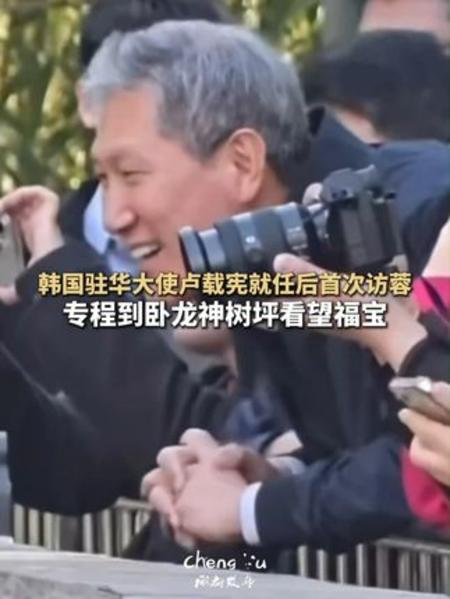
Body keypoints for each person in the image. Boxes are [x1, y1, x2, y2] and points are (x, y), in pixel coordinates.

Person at [2, 20, 448, 558]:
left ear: (243, 162)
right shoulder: (256, 259)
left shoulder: (423, 215)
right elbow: (358, 443)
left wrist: (252, 509)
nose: (114, 216)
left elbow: (430, 457)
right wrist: (269, 474)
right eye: (103, 180)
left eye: (131, 174)